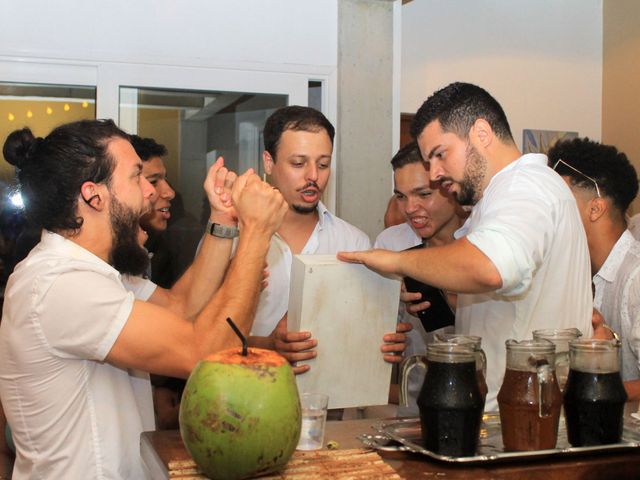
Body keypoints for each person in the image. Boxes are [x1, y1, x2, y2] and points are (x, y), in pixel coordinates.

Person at [0, 119, 287, 479]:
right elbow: (203, 352)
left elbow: (182, 307)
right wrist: (257, 232)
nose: (150, 192)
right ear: (94, 195)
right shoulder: (61, 285)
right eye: (137, 176)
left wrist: (222, 218)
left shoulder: (95, 271)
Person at [339, 82, 594, 411]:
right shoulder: (498, 198)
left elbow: (489, 267)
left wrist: (395, 261)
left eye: (440, 154)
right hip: (508, 408)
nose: (435, 173)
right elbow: (500, 304)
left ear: (482, 133)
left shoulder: (525, 186)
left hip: (526, 414)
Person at [244, 106, 410, 374]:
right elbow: (204, 337)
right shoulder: (234, 238)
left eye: (323, 164)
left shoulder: (353, 244)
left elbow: (359, 335)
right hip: (245, 405)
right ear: (268, 162)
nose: (313, 176)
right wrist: (267, 347)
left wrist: (381, 341)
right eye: (298, 163)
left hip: (329, 410)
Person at [374, 142, 465, 415]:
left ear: (449, 185)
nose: (410, 208)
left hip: (479, 401)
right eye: (401, 196)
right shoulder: (391, 243)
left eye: (423, 194)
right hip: (413, 408)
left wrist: (453, 298)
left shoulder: (482, 241)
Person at [548, 137, 640, 400]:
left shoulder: (635, 277)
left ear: (596, 208)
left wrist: (590, 390)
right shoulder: (576, 272)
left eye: (559, 200)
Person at [130, 135, 202, 429]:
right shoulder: (83, 276)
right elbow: (190, 347)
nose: (168, 192)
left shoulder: (132, 265)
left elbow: (179, 306)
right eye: (153, 181)